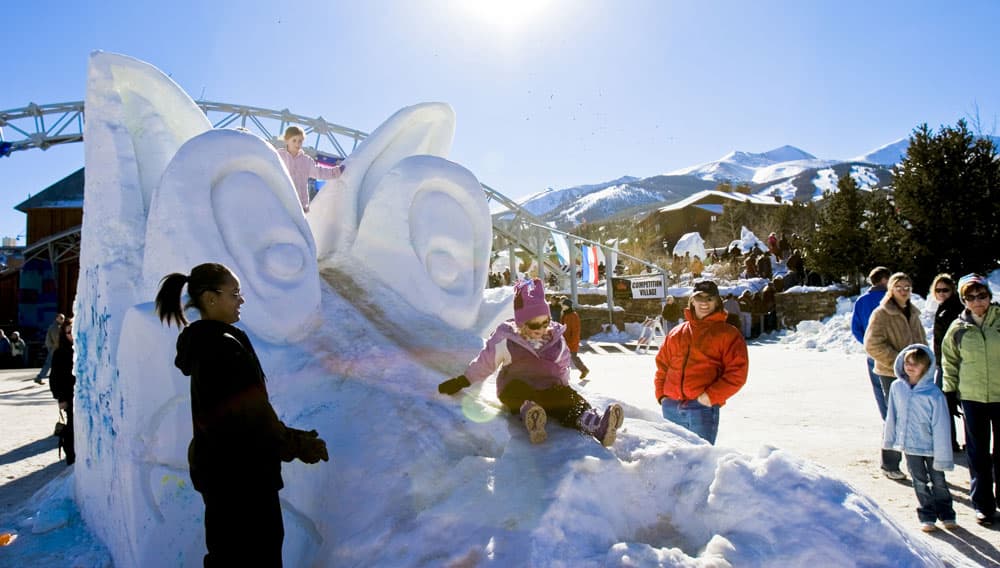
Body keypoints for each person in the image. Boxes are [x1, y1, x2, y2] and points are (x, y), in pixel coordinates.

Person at [155, 262, 330, 566]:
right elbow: (254, 420)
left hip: (223, 475)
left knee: (227, 554)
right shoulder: (223, 348)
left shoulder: (209, 343)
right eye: (234, 293)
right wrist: (300, 445)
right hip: (244, 480)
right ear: (210, 298)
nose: (241, 300)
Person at [437, 278, 623, 446]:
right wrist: (463, 381)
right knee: (516, 392)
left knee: (568, 399)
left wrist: (564, 390)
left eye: (545, 322)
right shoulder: (506, 339)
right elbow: (486, 362)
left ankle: (596, 424)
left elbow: (563, 365)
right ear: (521, 323)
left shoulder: (556, 339)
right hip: (516, 387)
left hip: (548, 387)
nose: (541, 329)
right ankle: (532, 416)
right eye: (535, 325)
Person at [654, 280, 749, 444]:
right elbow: (662, 365)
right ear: (692, 301)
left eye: (709, 298)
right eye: (699, 297)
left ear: (717, 302)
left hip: (701, 408)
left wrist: (710, 397)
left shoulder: (728, 334)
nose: (704, 303)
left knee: (699, 463)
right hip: (670, 407)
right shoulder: (677, 332)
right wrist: (662, 395)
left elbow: (737, 372)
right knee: (672, 460)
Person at [942, 273, 1000, 527]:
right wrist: (949, 392)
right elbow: (949, 362)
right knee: (977, 454)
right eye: (971, 297)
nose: (978, 301)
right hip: (972, 397)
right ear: (964, 300)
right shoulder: (957, 328)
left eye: (982, 295)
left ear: (989, 296)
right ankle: (984, 505)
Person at [883, 345, 956, 532]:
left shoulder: (933, 393)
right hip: (910, 445)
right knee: (919, 481)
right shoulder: (897, 387)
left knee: (938, 480)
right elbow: (892, 415)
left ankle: (946, 513)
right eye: (907, 362)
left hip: (931, 446)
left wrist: (943, 452)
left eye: (915, 364)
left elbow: (941, 425)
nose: (910, 367)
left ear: (926, 366)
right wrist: (890, 441)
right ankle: (927, 515)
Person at [864, 272, 927, 481]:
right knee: (896, 417)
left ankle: (916, 462)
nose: (903, 291)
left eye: (907, 287)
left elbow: (921, 341)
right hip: (891, 373)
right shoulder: (881, 313)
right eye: (899, 287)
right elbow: (872, 344)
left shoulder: (914, 312)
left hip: (915, 374)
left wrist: (923, 363)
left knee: (915, 417)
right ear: (891, 289)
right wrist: (899, 362)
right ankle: (889, 463)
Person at [928, 274, 964, 451]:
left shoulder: (955, 309)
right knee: (948, 404)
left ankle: (949, 441)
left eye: (945, 290)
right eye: (938, 290)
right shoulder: (943, 308)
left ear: (953, 290)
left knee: (945, 403)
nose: (941, 293)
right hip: (943, 362)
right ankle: (951, 441)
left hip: (953, 364)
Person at [852, 267, 891, 420]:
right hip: (892, 348)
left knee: (878, 387)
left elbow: (856, 328)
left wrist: (867, 343)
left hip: (873, 351)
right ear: (884, 280)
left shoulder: (861, 301)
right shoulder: (890, 298)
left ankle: (887, 419)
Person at [277, 125, 344, 213]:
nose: (297, 144)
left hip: (300, 204)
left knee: (297, 226)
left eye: (300, 141)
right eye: (294, 140)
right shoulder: (278, 156)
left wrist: (335, 172)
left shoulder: (306, 160)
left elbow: (319, 172)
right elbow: (269, 169)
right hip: (282, 201)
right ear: (286, 140)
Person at [49, 317, 76, 465]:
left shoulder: (85, 349)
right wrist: (60, 398)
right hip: (69, 398)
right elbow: (54, 379)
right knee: (71, 429)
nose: (71, 335)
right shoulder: (59, 353)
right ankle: (71, 459)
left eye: (73, 331)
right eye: (68, 332)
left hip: (83, 398)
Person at [559, 297, 590, 379]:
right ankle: (562, 374)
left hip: (571, 341)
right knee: (563, 357)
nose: (563, 306)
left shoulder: (573, 315)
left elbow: (576, 330)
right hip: (564, 340)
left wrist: (572, 341)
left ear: (568, 306)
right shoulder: (564, 314)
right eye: (563, 305)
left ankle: (584, 370)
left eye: (564, 305)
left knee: (573, 357)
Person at [35, 313, 65, 384]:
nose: (62, 320)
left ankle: (40, 377)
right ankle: (39, 377)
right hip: (54, 348)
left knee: (53, 364)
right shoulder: (55, 327)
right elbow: (56, 339)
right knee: (50, 363)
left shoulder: (56, 326)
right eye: (61, 318)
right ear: (57, 318)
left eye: (63, 318)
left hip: (53, 348)